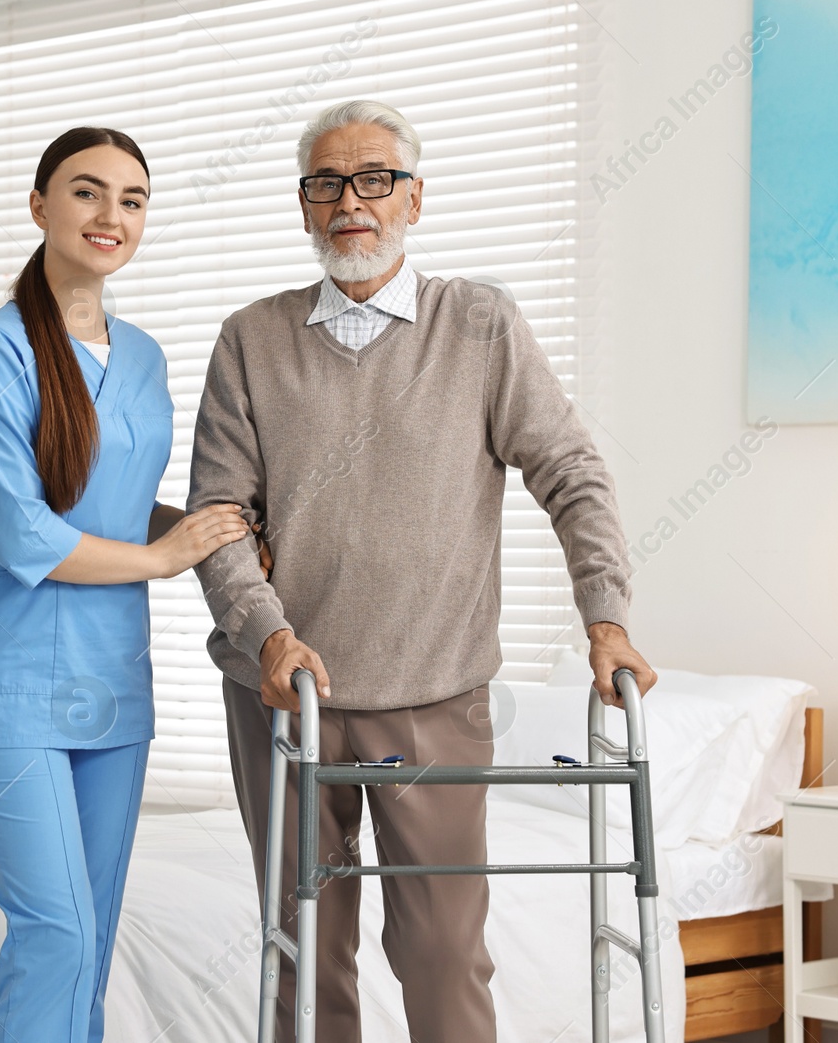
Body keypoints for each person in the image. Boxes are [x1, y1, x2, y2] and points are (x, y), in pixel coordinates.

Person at [187, 99, 660, 1042]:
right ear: (304, 206)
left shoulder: (478, 324)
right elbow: (218, 518)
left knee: (443, 950)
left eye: (374, 180)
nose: (349, 202)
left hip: (433, 689)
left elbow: (570, 470)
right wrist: (270, 635)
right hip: (286, 689)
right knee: (304, 948)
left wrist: (604, 616)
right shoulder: (251, 336)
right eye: (326, 184)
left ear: (414, 200)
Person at [0, 126, 259, 1043]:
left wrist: (202, 531)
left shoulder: (147, 356)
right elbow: (21, 531)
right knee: (57, 931)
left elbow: (114, 505)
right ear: (40, 206)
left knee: (95, 934)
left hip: (113, 682)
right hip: (8, 681)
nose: (110, 214)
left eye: (133, 198)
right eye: (86, 191)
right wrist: (163, 558)